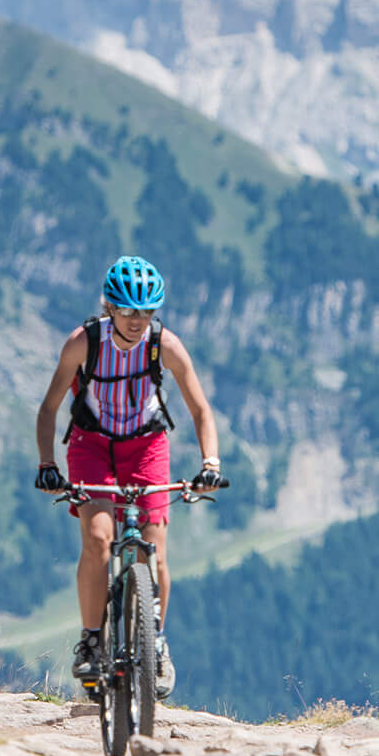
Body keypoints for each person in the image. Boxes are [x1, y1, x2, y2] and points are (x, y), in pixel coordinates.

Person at [33, 256, 227, 699]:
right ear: (110, 307)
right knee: (98, 537)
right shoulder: (83, 343)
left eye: (147, 311)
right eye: (127, 310)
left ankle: (154, 642)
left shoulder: (166, 345)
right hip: (92, 443)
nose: (138, 321)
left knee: (154, 551)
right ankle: (92, 639)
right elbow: (48, 408)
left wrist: (210, 464)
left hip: (147, 445)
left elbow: (200, 409)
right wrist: (48, 463)